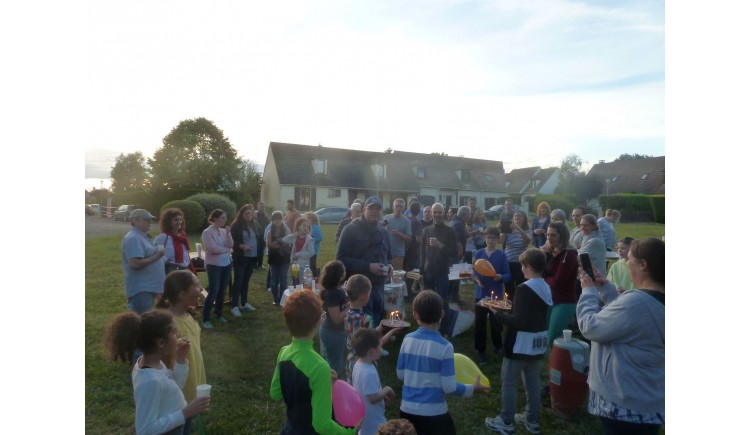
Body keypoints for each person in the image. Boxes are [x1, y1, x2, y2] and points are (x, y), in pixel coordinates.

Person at [577, 238, 665, 434]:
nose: (626, 263)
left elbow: (589, 327)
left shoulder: (636, 303)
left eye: (629, 259)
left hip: (625, 403)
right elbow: (632, 319)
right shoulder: (654, 300)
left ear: (643, 265)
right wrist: (605, 288)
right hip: (648, 397)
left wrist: (588, 291)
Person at [396, 290, 490, 434]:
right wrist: (472, 388)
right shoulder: (445, 347)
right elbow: (449, 387)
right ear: (442, 314)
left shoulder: (407, 339)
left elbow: (401, 374)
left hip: (407, 412)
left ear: (415, 315)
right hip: (434, 415)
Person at [104, 309, 210, 435]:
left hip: (176, 425)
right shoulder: (150, 381)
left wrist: (180, 360)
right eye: (174, 332)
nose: (177, 336)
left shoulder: (155, 364)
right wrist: (185, 412)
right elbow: (145, 430)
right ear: (161, 342)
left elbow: (174, 386)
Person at [269, 290, 359, 435]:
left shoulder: (284, 352)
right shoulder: (320, 367)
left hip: (289, 429)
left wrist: (313, 383)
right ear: (318, 323)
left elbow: (276, 393)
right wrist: (349, 432)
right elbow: (321, 425)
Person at [484, 248, 552, 435]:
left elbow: (519, 320)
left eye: (522, 265)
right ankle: (532, 418)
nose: (521, 268)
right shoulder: (545, 286)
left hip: (520, 342)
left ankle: (506, 421)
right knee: (532, 380)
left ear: (528, 266)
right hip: (537, 340)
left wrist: (498, 314)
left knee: (509, 381)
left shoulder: (524, 289)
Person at [156, 270, 207, 434]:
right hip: (177, 393)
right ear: (182, 295)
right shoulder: (169, 325)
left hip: (191, 384)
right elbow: (161, 363)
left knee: (187, 426)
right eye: (196, 286)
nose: (201, 289)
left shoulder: (188, 314)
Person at [336, 196, 392, 324]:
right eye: (371, 208)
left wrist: (389, 265)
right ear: (363, 210)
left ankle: (374, 343)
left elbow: (388, 256)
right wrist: (368, 266)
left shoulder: (383, 231)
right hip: (359, 289)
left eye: (378, 209)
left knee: (376, 321)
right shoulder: (350, 229)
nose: (374, 211)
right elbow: (340, 259)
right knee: (362, 327)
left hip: (379, 286)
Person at [344, 275, 402, 382]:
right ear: (363, 296)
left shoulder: (346, 315)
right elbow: (376, 343)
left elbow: (362, 335)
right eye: (369, 293)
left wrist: (379, 328)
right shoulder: (366, 319)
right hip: (364, 363)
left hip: (350, 363)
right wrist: (392, 331)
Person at [473, 227, 511, 364]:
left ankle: (498, 346)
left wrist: (500, 277)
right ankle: (481, 351)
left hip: (496, 295)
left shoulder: (502, 255)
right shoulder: (479, 253)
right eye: (488, 237)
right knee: (480, 323)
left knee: (496, 322)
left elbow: (508, 275)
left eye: (493, 238)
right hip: (481, 294)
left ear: (498, 239)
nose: (491, 240)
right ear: (484, 238)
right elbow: (475, 271)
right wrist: (476, 279)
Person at [419, 203, 457, 337]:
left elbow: (454, 253)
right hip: (428, 272)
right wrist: (421, 271)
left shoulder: (449, 231)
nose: (437, 215)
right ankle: (427, 327)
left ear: (444, 213)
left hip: (442, 272)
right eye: (435, 212)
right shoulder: (427, 230)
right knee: (426, 301)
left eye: (439, 212)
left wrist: (440, 245)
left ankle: (444, 330)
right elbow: (422, 252)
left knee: (442, 302)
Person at [541, 222, 580, 344]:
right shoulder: (550, 252)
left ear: (562, 236)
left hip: (564, 301)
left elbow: (558, 281)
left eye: (553, 235)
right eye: (547, 235)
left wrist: (542, 280)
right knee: (545, 333)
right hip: (549, 298)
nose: (548, 238)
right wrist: (545, 254)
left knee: (554, 336)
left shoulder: (569, 254)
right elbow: (540, 271)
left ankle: (558, 362)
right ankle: (548, 360)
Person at [352, 328, 396, 435]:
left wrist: (381, 396)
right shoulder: (368, 372)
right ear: (372, 352)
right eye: (380, 346)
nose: (381, 348)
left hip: (364, 418)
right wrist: (386, 390)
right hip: (373, 422)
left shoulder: (358, 364)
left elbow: (367, 391)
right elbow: (372, 398)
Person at [122, 209, 166, 315]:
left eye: (151, 219)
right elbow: (135, 263)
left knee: (147, 322)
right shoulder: (133, 238)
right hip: (141, 290)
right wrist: (157, 256)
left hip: (148, 287)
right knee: (142, 323)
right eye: (146, 219)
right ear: (135, 221)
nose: (150, 222)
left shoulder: (142, 236)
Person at [201, 209, 233, 329]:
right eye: (222, 217)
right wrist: (225, 249)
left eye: (225, 218)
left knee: (222, 291)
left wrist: (229, 234)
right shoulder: (207, 232)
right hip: (214, 265)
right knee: (213, 291)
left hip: (226, 263)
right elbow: (212, 249)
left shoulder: (224, 231)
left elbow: (231, 245)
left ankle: (219, 313)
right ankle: (206, 318)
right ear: (214, 218)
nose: (224, 220)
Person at [318, 260, 350, 379]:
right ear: (339, 275)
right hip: (333, 333)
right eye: (344, 270)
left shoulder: (338, 290)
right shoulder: (331, 294)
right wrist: (348, 308)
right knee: (335, 366)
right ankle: (332, 391)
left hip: (338, 332)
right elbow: (336, 319)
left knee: (337, 362)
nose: (345, 272)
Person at [229, 204, 259, 317]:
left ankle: (244, 303)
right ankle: (234, 306)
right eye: (246, 213)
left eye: (250, 213)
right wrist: (241, 246)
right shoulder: (236, 225)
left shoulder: (253, 224)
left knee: (246, 281)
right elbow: (231, 241)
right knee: (238, 281)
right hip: (241, 257)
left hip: (252, 257)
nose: (248, 215)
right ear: (241, 214)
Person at [498, 210, 532, 300]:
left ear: (524, 219)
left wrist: (517, 228)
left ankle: (519, 304)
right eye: (515, 216)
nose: (517, 218)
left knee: (521, 285)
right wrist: (500, 229)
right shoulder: (509, 230)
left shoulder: (527, 230)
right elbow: (500, 241)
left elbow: (528, 240)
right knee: (508, 286)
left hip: (520, 263)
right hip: (508, 261)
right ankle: (509, 305)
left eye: (519, 216)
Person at [154, 208, 194, 275]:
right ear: (168, 222)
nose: (179, 222)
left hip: (185, 267)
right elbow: (155, 252)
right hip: (172, 269)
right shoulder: (163, 237)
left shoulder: (182, 235)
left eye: (180, 219)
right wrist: (165, 260)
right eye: (175, 220)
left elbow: (185, 252)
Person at [266, 211, 291, 306]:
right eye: (275, 219)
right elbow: (269, 245)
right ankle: (275, 299)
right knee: (274, 280)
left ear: (282, 219)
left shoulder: (286, 230)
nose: (277, 221)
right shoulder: (269, 232)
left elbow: (287, 243)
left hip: (284, 258)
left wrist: (277, 244)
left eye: (279, 218)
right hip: (273, 259)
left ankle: (282, 298)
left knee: (283, 279)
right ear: (272, 220)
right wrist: (280, 243)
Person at [283, 217, 315, 287]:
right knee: (293, 281)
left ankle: (302, 295)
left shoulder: (309, 239)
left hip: (303, 264)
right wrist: (294, 234)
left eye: (308, 226)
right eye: (304, 226)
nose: (306, 228)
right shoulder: (295, 237)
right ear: (298, 226)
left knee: (302, 282)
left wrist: (298, 254)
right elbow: (285, 240)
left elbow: (311, 253)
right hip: (293, 263)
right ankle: (293, 294)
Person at [449, 206, 471, 303]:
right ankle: (453, 297)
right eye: (469, 215)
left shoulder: (456, 221)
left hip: (454, 255)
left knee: (456, 276)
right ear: (465, 215)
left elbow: (462, 235)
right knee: (455, 277)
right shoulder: (458, 224)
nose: (470, 217)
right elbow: (455, 238)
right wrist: (460, 248)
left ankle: (454, 296)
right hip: (455, 255)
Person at [383, 198, 412, 272]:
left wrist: (399, 234)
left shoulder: (406, 221)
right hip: (386, 253)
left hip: (398, 254)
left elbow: (409, 238)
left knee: (396, 276)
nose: (399, 208)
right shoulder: (387, 218)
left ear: (404, 208)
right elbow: (381, 230)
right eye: (397, 206)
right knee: (385, 274)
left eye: (401, 206)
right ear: (393, 206)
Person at [403, 200, 424, 299]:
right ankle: (410, 293)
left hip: (407, 249)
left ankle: (407, 292)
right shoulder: (417, 223)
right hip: (415, 251)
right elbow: (418, 239)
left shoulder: (407, 220)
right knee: (415, 272)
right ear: (419, 210)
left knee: (408, 272)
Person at [578, 214, 607, 278]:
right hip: (590, 277)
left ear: (594, 226)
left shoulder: (595, 241)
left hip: (595, 279)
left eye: (586, 225)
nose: (582, 228)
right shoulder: (588, 237)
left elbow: (578, 256)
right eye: (581, 225)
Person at [304, 211, 324, 278]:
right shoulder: (307, 227)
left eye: (308, 218)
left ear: (313, 219)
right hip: (307, 250)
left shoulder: (316, 227)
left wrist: (312, 239)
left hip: (314, 250)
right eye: (306, 218)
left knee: (312, 265)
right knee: (308, 265)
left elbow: (320, 238)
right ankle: (310, 277)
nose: (307, 220)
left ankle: (317, 277)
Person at [255, 201, 271, 270]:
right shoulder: (255, 215)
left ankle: (260, 264)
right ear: (258, 207)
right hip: (256, 236)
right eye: (261, 206)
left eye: (264, 206)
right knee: (256, 250)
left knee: (261, 250)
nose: (263, 208)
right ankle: (255, 265)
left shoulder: (266, 216)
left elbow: (270, 224)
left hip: (264, 236)